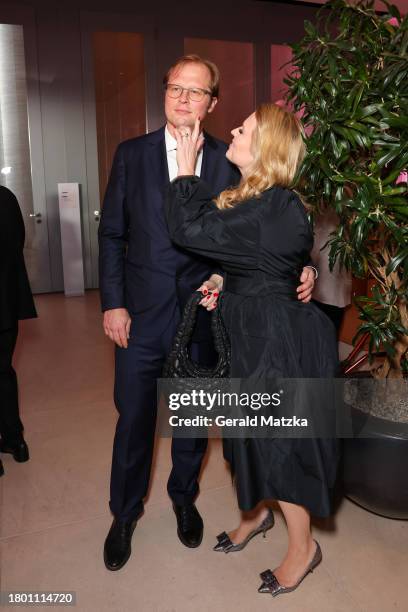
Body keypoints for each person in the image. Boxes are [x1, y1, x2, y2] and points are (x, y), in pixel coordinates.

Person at [98, 55, 317, 571]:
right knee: (134, 417)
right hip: (141, 314)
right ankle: (124, 513)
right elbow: (112, 234)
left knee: (192, 418)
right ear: (165, 93)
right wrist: (113, 302)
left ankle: (182, 498)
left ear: (212, 103)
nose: (182, 99)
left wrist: (299, 270)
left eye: (195, 92)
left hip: (205, 316)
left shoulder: (229, 158)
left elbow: (267, 223)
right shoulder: (132, 154)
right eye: (175, 88)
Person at [165, 104, 339, 598]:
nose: (234, 132)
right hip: (251, 333)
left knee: (281, 446)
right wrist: (226, 278)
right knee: (246, 438)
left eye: (245, 128)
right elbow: (257, 258)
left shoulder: (276, 204)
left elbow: (190, 231)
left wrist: (184, 171)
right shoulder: (260, 200)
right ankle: (258, 514)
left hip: (275, 343)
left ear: (265, 147)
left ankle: (303, 549)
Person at [0, 185, 37, 477]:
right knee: (4, 372)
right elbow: (18, 241)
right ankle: (16, 441)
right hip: (6, 304)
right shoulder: (6, 197)